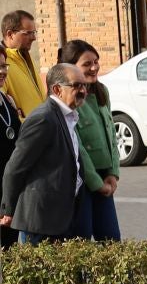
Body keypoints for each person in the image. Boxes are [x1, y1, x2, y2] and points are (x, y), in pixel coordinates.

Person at [0, 63, 89, 243]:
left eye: (85, 85)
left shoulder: (68, 116)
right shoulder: (43, 118)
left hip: (65, 214)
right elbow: (16, 167)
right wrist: (7, 209)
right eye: (77, 85)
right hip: (43, 221)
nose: (83, 90)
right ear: (57, 89)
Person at [56, 39, 120, 241]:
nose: (94, 68)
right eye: (87, 64)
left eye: (96, 62)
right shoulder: (67, 99)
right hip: (82, 180)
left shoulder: (102, 91)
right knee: (80, 240)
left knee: (111, 240)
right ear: (71, 68)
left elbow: (111, 134)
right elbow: (78, 148)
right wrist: (96, 183)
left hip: (104, 177)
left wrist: (113, 172)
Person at [1, 10, 45, 116]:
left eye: (34, 32)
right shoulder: (3, 64)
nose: (34, 38)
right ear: (10, 34)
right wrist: (20, 121)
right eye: (28, 33)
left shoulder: (25, 57)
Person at [0, 50, 22, 248]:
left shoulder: (7, 101)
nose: (2, 71)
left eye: (3, 66)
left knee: (10, 248)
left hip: (9, 190)